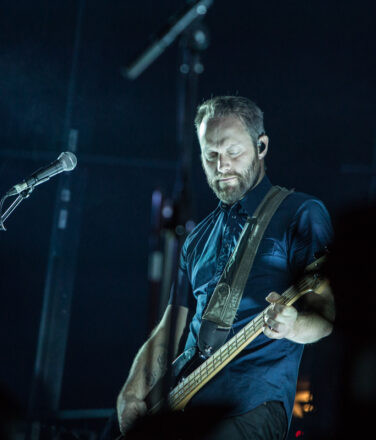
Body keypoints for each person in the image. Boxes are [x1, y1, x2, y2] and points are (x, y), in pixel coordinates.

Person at [116, 96, 335, 440]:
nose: (222, 166)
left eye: (233, 153)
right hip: (182, 402)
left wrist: (293, 327)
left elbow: (325, 316)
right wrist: (130, 394)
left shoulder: (301, 213)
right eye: (211, 155)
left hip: (251, 408)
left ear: (261, 146)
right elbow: (170, 327)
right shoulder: (196, 239)